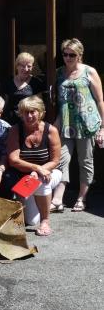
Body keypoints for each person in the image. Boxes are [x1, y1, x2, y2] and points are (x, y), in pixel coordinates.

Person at [51, 39, 104, 213]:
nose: (67, 58)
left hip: (86, 124)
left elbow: (100, 100)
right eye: (65, 54)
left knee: (85, 162)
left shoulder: (89, 72)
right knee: (62, 160)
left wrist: (103, 128)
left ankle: (82, 198)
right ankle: (58, 198)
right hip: (66, 124)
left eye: (72, 54)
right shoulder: (59, 73)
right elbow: (59, 102)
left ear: (79, 55)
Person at [5, 96, 61, 236]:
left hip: (50, 172)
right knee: (30, 221)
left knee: (42, 181)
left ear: (40, 112)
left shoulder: (51, 130)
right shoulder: (15, 130)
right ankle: (43, 206)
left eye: (32, 111)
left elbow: (55, 161)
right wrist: (36, 168)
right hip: (26, 177)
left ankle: (45, 221)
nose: (29, 116)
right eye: (25, 112)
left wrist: (40, 171)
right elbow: (13, 160)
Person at [1, 52, 45, 125]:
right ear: (17, 66)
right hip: (10, 120)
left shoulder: (36, 83)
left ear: (32, 67)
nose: (26, 69)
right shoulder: (8, 82)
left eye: (29, 66)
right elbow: (3, 102)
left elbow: (39, 105)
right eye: (23, 66)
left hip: (28, 120)